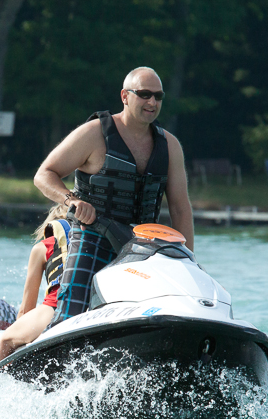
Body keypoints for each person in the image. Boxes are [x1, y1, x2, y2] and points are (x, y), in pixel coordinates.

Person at [33, 66, 194, 326]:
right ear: (125, 96)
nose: (152, 102)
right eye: (144, 94)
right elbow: (44, 174)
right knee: (73, 312)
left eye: (158, 96)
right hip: (92, 235)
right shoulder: (94, 133)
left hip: (144, 244)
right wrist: (71, 200)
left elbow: (180, 209)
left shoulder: (170, 146)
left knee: (167, 307)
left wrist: (188, 260)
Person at [0, 204, 69, 370]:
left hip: (56, 306)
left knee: (5, 340)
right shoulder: (96, 242)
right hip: (93, 306)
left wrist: (18, 334)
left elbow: (26, 309)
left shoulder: (43, 247)